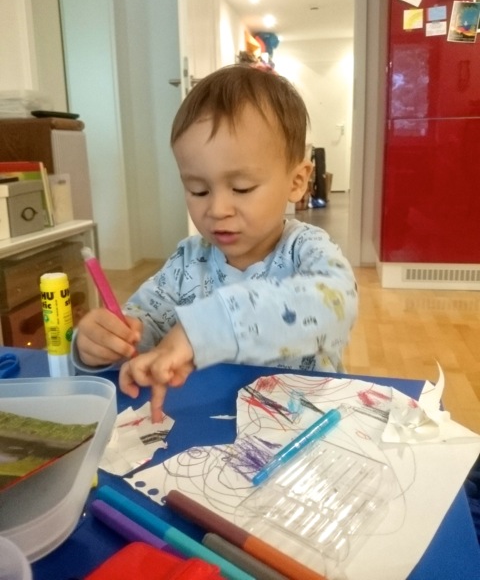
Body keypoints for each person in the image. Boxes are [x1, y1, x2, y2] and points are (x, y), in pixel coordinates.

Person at [72, 65, 358, 422]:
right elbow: (143, 328)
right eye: (198, 190)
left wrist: (207, 328)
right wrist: (106, 343)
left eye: (241, 188)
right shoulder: (188, 261)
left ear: (297, 181)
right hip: (211, 419)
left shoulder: (305, 249)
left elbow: (337, 303)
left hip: (305, 421)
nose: (217, 209)